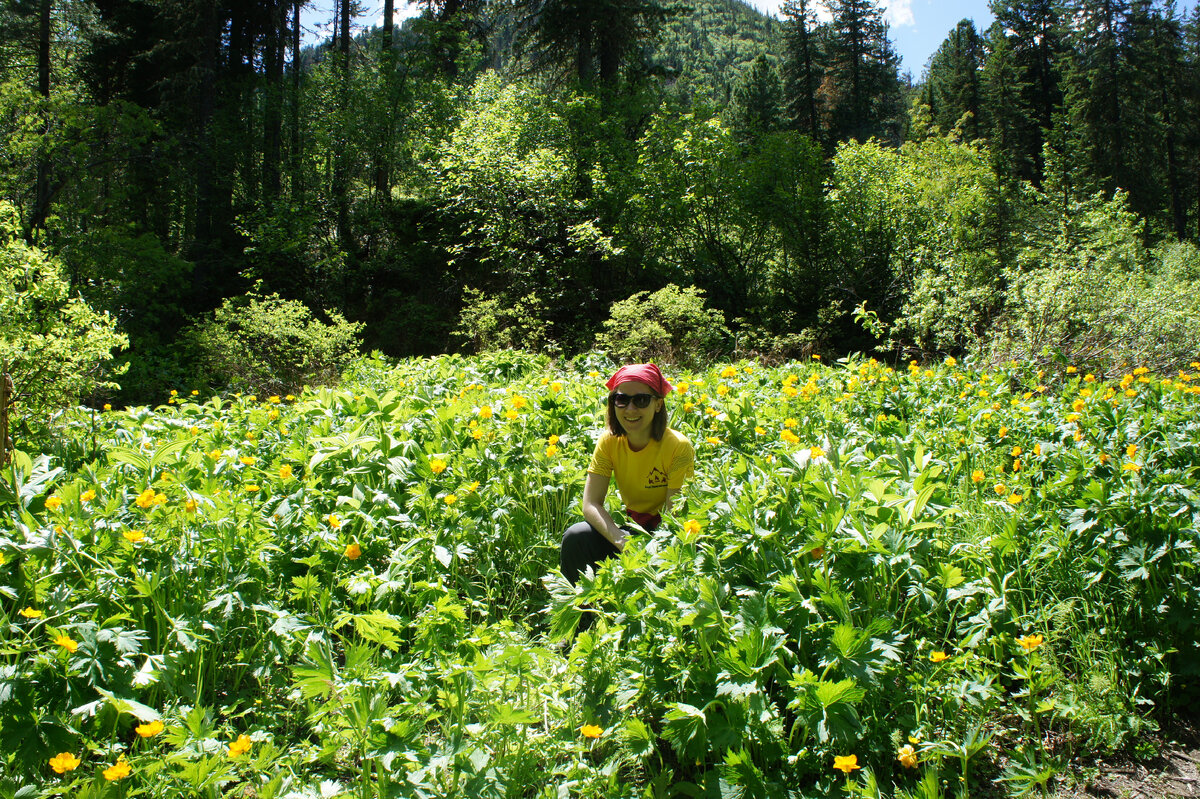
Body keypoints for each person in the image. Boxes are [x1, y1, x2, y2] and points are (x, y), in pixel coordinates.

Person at [559, 364, 695, 628]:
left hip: (670, 535)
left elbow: (675, 516)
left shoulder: (678, 446)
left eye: (641, 400)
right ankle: (578, 625)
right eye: (622, 399)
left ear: (658, 405)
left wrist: (649, 550)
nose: (630, 409)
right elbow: (590, 504)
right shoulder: (609, 442)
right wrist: (621, 540)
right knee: (576, 537)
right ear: (613, 404)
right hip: (632, 532)